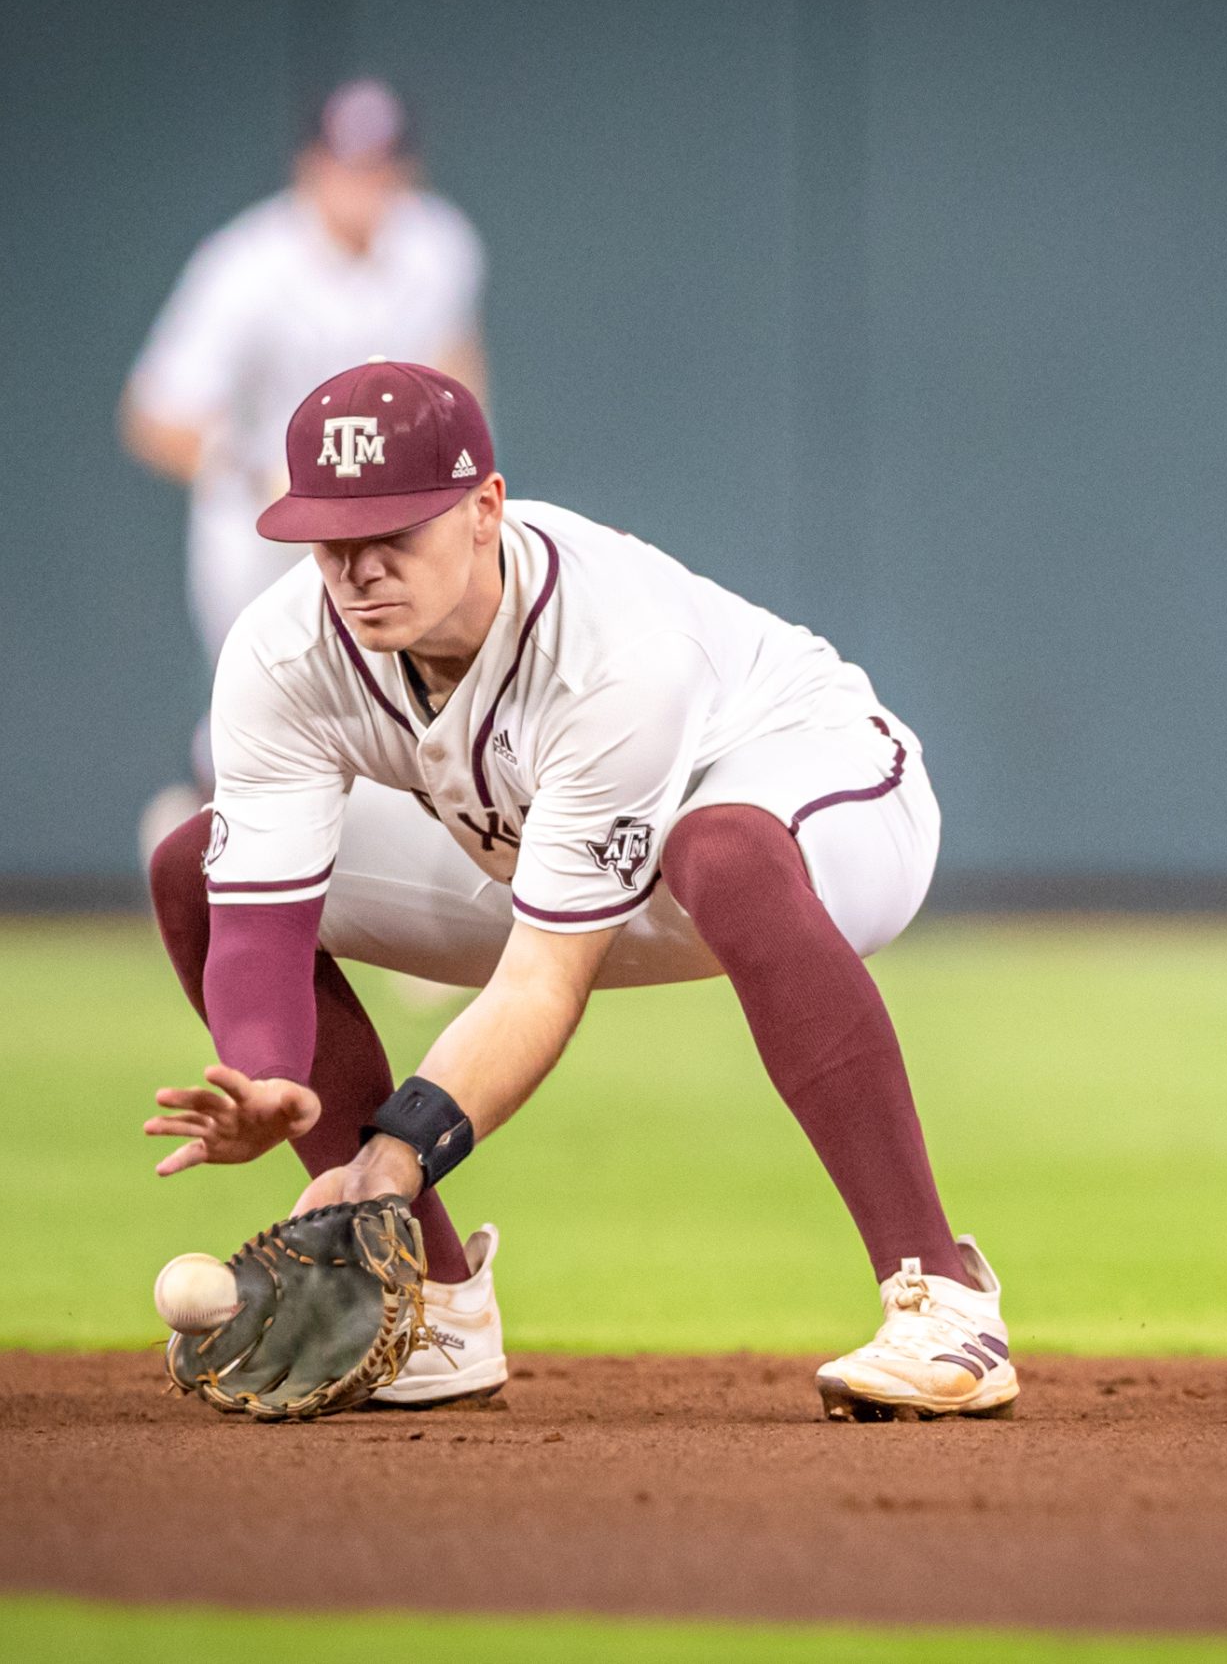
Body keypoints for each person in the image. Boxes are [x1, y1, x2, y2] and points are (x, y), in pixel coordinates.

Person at [141, 360, 1014, 1421]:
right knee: (193, 864)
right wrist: (271, 1078)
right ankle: (428, 1306)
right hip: (526, 837)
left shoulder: (612, 646)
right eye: (332, 539)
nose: (359, 569)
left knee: (722, 850)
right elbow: (261, 918)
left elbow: (540, 985)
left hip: (813, 803)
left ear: (483, 511)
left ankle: (943, 1301)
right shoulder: (283, 651)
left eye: (395, 534)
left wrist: (396, 1151)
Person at [123, 78, 486, 848]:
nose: (363, 186)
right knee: (263, 698)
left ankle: (416, 884)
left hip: (389, 516)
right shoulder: (246, 264)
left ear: (405, 172)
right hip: (260, 523)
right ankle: (201, 831)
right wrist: (261, 471)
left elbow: (456, 363)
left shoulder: (438, 245)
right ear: (310, 168)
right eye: (347, 166)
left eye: (380, 167)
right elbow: (153, 415)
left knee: (415, 681)